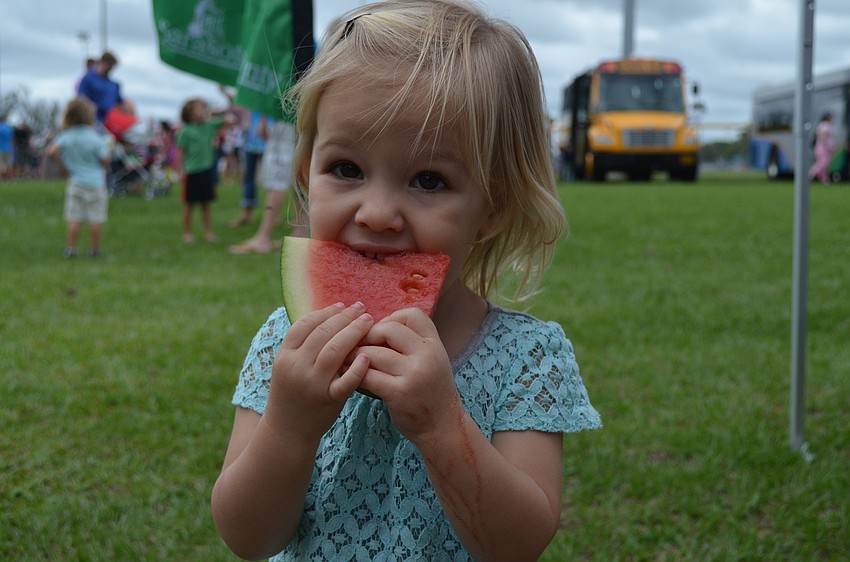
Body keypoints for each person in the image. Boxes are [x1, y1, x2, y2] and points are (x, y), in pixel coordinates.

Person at [210, 2, 601, 561]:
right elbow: (248, 538)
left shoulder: (527, 359)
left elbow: (517, 546)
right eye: (346, 169)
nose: (377, 213)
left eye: (428, 179)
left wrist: (444, 425)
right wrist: (289, 428)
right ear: (306, 173)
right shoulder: (284, 343)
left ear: (493, 206)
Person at [227, 119, 307, 253]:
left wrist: (263, 119)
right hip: (294, 125)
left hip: (284, 126)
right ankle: (300, 234)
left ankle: (263, 238)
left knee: (277, 182)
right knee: (298, 179)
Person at [47, 97, 112, 258]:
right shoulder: (94, 137)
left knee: (74, 218)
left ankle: (71, 249)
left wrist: (63, 164)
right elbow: (104, 160)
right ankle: (94, 250)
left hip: (76, 182)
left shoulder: (66, 135)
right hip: (96, 183)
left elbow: (52, 151)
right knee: (95, 219)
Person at [175, 98, 234, 243]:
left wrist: (213, 112)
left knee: (206, 204)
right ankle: (187, 233)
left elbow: (230, 120)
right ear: (189, 113)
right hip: (192, 172)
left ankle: (208, 232)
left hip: (206, 171)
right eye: (199, 108)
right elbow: (181, 153)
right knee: (189, 204)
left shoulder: (208, 126)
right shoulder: (185, 131)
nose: (203, 110)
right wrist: (180, 170)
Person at [228, 110, 268, 228]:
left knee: (272, 183)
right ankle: (247, 214)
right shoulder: (249, 99)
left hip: (267, 141)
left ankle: (271, 216)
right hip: (250, 143)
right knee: (248, 178)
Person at [77, 51, 127, 125]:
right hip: (90, 120)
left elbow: (120, 103)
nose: (110, 70)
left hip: (107, 122)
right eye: (109, 66)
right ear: (103, 63)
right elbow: (81, 98)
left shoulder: (113, 85)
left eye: (112, 68)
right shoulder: (88, 79)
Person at [809, 110, 837, 184]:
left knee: (825, 164)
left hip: (824, 147)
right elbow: (824, 136)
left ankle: (825, 179)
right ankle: (811, 173)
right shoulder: (825, 125)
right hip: (823, 147)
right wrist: (826, 145)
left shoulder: (825, 125)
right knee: (823, 162)